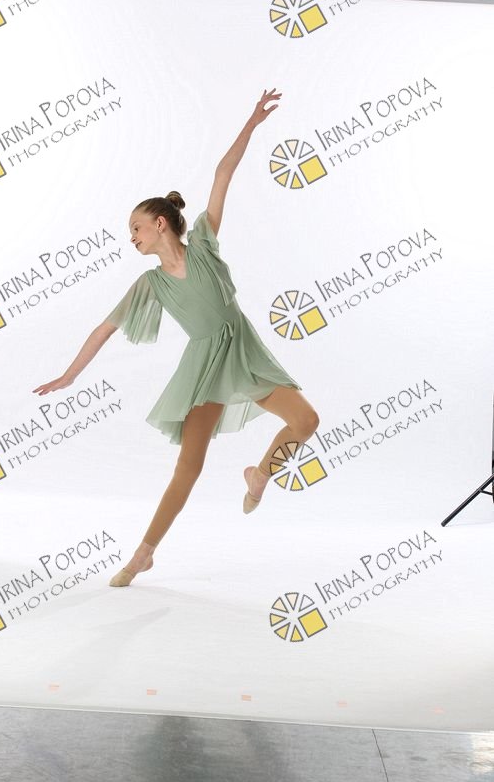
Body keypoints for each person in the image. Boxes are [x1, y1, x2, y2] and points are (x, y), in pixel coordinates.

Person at [33, 88, 319, 587]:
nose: (132, 237)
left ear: (160, 223)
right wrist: (68, 376)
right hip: (205, 370)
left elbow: (223, 174)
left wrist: (251, 123)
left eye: (136, 228)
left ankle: (261, 473)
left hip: (245, 352)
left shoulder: (204, 244)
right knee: (188, 468)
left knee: (306, 421)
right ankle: (142, 554)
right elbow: (104, 328)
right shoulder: (151, 284)